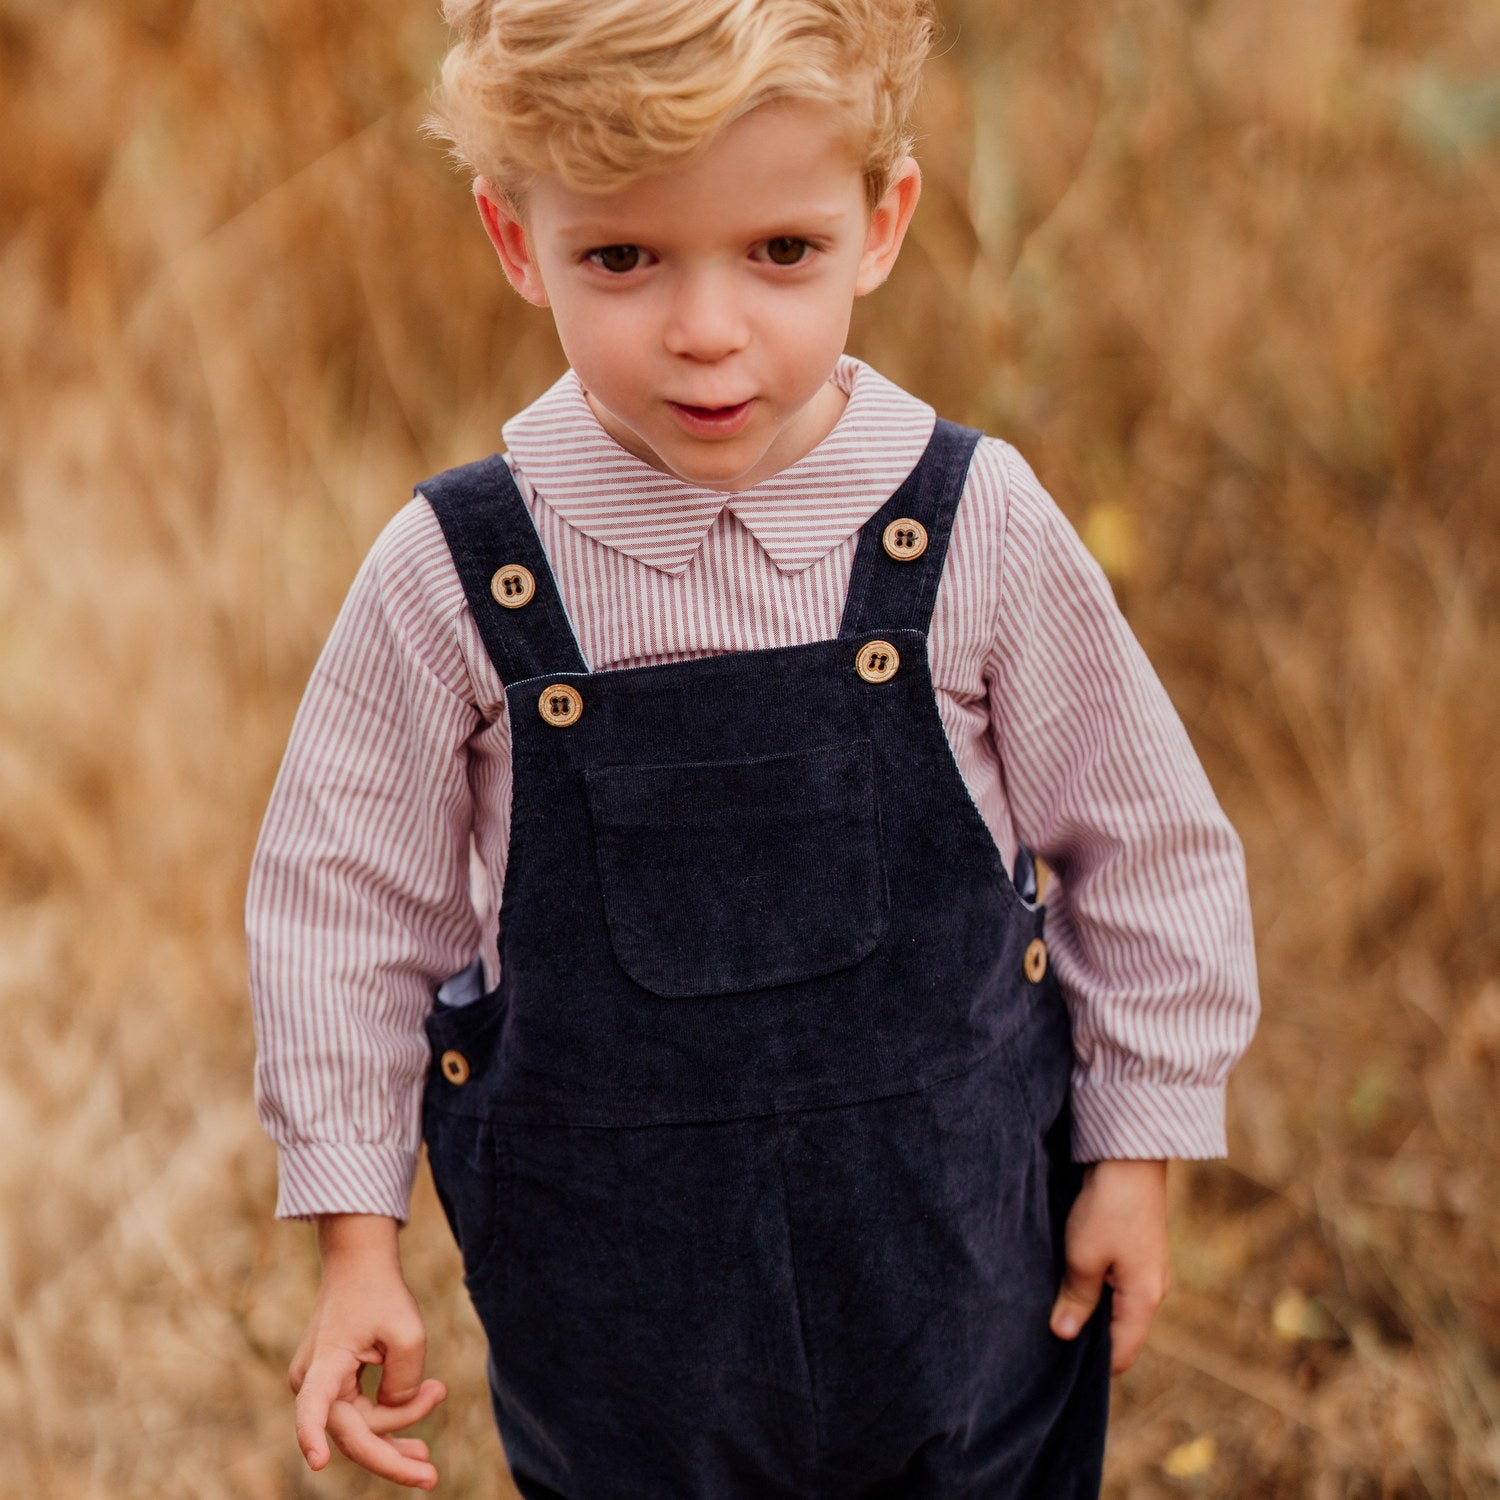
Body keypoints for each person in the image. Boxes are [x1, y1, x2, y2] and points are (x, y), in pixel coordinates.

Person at [247, 0, 1260, 1494]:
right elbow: (339, 911)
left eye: (781, 252)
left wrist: (1138, 1153)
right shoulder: (460, 571)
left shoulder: (969, 524)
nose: (708, 328)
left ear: (882, 219)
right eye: (624, 258)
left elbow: (1147, 845)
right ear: (518, 241)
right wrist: (354, 1241)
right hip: (617, 1328)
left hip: (959, 1296)